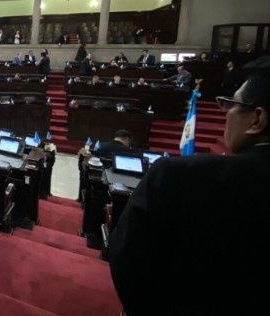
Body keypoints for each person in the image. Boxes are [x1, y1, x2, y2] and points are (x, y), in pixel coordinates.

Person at [109, 56, 270, 316]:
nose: (226, 113)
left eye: (231, 104)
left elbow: (126, 257)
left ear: (257, 119)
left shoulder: (178, 175)